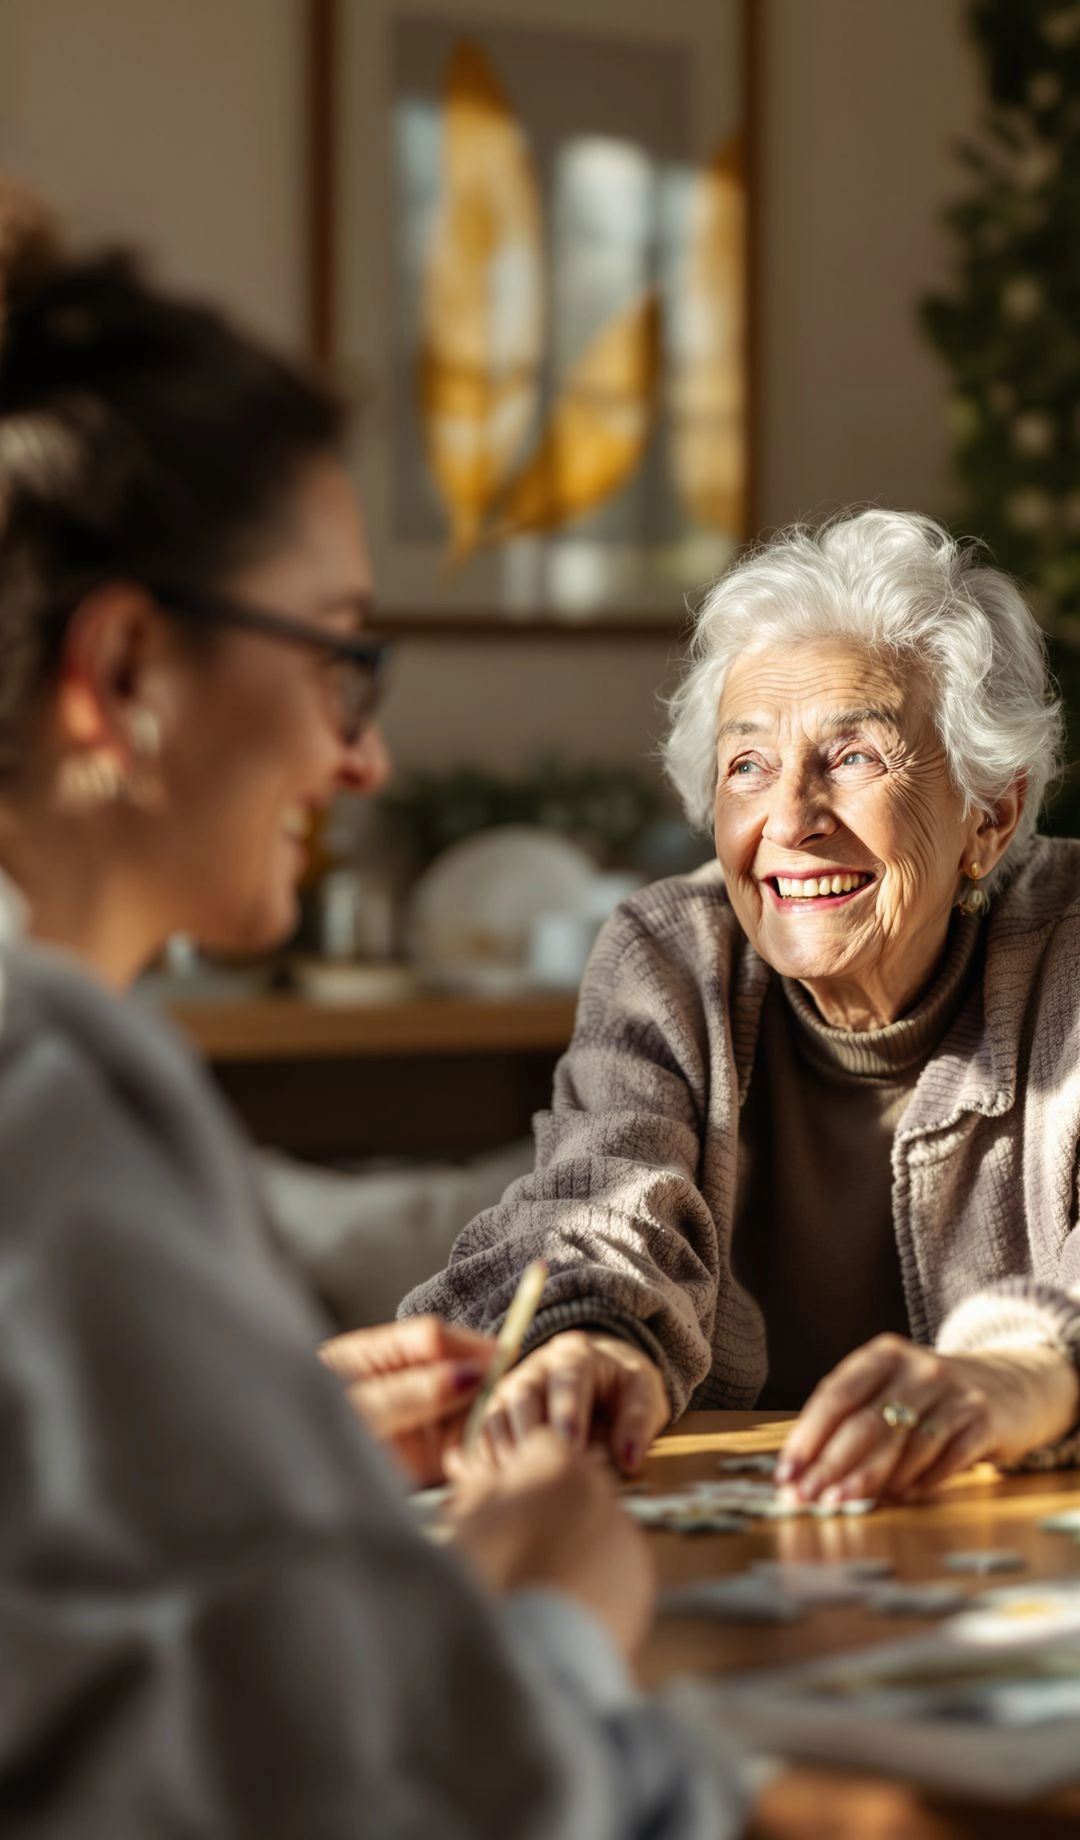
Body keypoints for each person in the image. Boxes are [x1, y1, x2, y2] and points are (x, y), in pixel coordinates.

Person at [0, 186, 744, 1837]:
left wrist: (251, 1440)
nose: (366, 757)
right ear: (121, 674)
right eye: (340, 657)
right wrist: (542, 1607)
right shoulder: (45, 1093)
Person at [403, 508, 1080, 1506]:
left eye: (854, 758)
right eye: (748, 766)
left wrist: (1019, 1375)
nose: (792, 822)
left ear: (991, 814)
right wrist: (592, 1344)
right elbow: (603, 1199)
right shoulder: (670, 955)